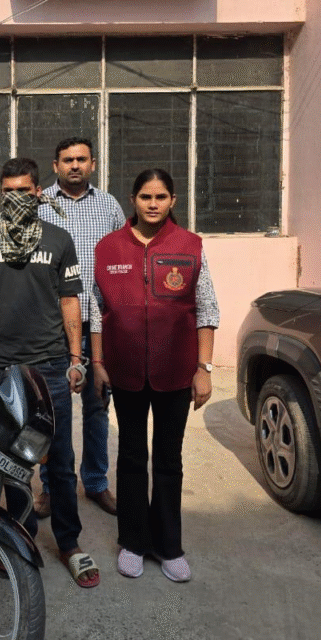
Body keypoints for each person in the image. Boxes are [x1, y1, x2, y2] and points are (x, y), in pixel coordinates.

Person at [0, 157, 100, 588]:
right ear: (0, 193)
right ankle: (22, 536)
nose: (16, 198)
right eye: (8, 191)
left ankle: (69, 544)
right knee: (12, 461)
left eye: (24, 190)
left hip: (51, 366)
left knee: (60, 460)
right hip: (2, 367)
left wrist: (76, 359)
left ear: (38, 192)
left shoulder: (59, 239)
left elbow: (71, 300)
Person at [91, 168, 219, 583]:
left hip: (175, 373)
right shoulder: (108, 248)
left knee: (168, 459)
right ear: (132, 199)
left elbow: (207, 309)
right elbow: (95, 309)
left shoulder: (190, 246)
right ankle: (132, 542)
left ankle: (168, 546)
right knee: (131, 457)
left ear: (172, 201)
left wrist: (203, 368)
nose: (152, 204)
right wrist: (97, 363)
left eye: (160, 197)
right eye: (145, 196)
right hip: (125, 372)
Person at [36, 137, 125, 519]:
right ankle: (51, 485)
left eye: (82, 159)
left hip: (100, 325)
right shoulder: (39, 204)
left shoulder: (109, 206)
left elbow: (124, 256)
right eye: (68, 159)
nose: (75, 165)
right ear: (55, 165)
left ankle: (96, 482)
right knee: (50, 411)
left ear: (93, 164)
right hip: (53, 326)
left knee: (96, 407)